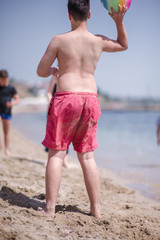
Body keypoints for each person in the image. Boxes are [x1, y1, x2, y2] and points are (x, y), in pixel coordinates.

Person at [37, 0, 128, 218]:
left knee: (57, 155)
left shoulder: (59, 40)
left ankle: (50, 209)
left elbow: (40, 71)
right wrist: (119, 21)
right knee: (87, 157)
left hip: (66, 98)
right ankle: (96, 210)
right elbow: (123, 45)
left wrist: (53, 70)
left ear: (69, 15)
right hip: (90, 99)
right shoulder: (97, 41)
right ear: (89, 15)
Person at [46, 76, 69, 168]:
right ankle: (48, 159)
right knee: (52, 135)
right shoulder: (54, 78)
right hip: (55, 108)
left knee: (67, 135)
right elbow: (49, 92)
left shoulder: (70, 77)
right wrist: (53, 103)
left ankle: (65, 160)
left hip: (67, 109)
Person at [0, 70, 19, 155]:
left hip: (7, 111)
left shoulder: (11, 88)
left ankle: (6, 149)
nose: (5, 82)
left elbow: (17, 99)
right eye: (3, 80)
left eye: (7, 80)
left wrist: (11, 104)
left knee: (6, 131)